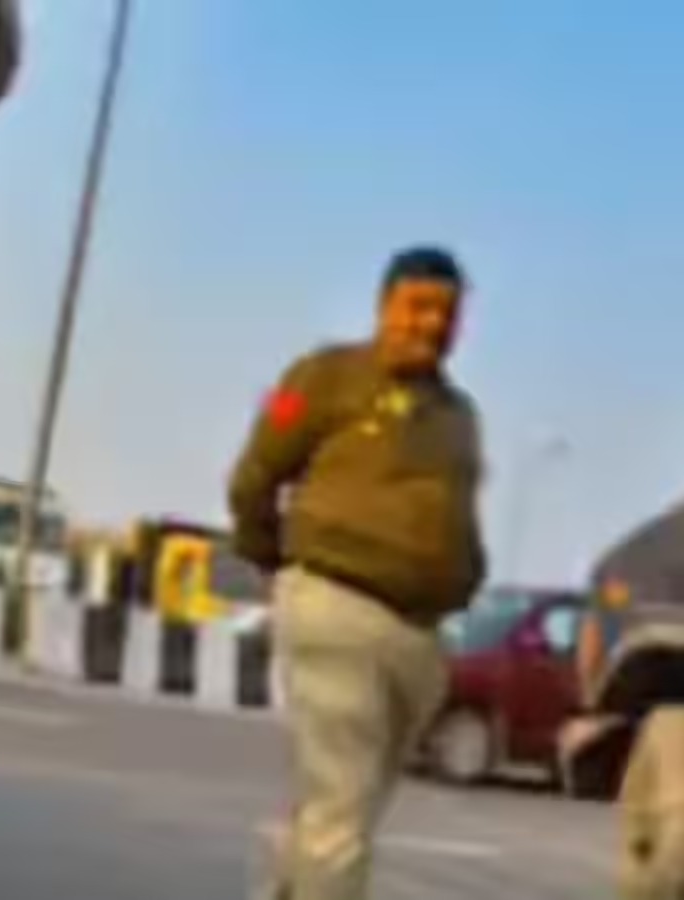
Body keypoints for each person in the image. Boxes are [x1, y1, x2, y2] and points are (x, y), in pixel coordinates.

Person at [228, 246, 488, 900]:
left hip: (417, 636)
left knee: (342, 811)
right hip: (335, 606)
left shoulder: (459, 416)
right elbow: (256, 477)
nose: (431, 324)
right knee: (342, 815)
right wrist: (278, 564)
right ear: (384, 307)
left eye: (447, 312)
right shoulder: (328, 377)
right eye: (418, 307)